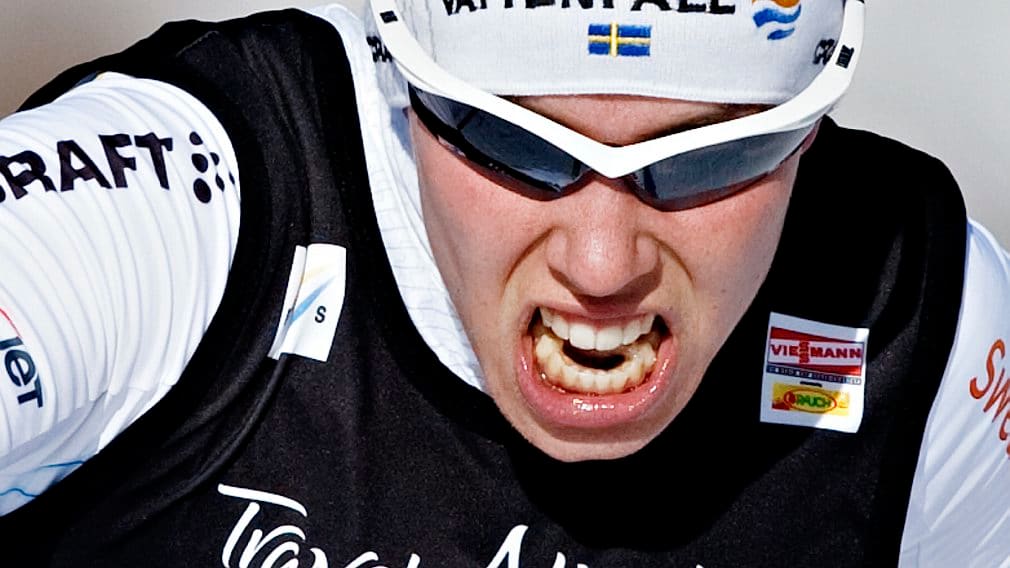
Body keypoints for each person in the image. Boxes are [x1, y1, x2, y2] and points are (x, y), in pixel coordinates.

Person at [0, 0, 1007, 565]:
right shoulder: (180, 206)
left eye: (705, 159)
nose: (601, 265)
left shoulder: (922, 322)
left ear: (808, 129)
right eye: (512, 143)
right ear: (401, 81)